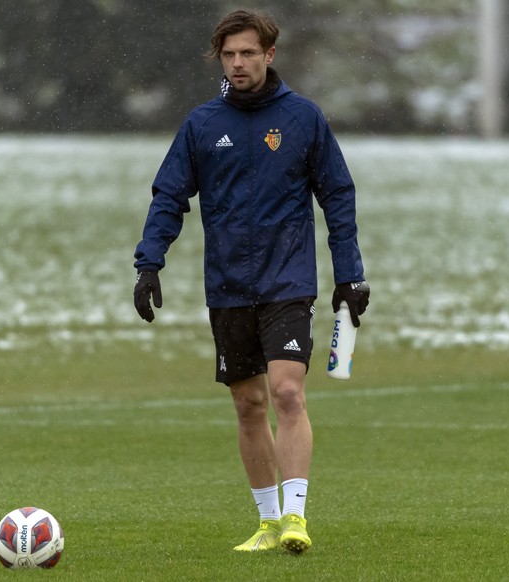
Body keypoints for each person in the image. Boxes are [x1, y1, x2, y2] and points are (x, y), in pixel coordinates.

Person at [133, 9, 370, 554]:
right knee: (248, 406)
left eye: (247, 53)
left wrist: (350, 274)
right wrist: (149, 264)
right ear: (221, 59)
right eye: (229, 55)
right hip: (229, 286)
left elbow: (338, 196)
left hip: (289, 281)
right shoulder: (201, 125)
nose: (238, 63)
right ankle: (266, 523)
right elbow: (170, 196)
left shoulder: (304, 120)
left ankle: (296, 518)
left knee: (287, 392)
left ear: (269, 55)